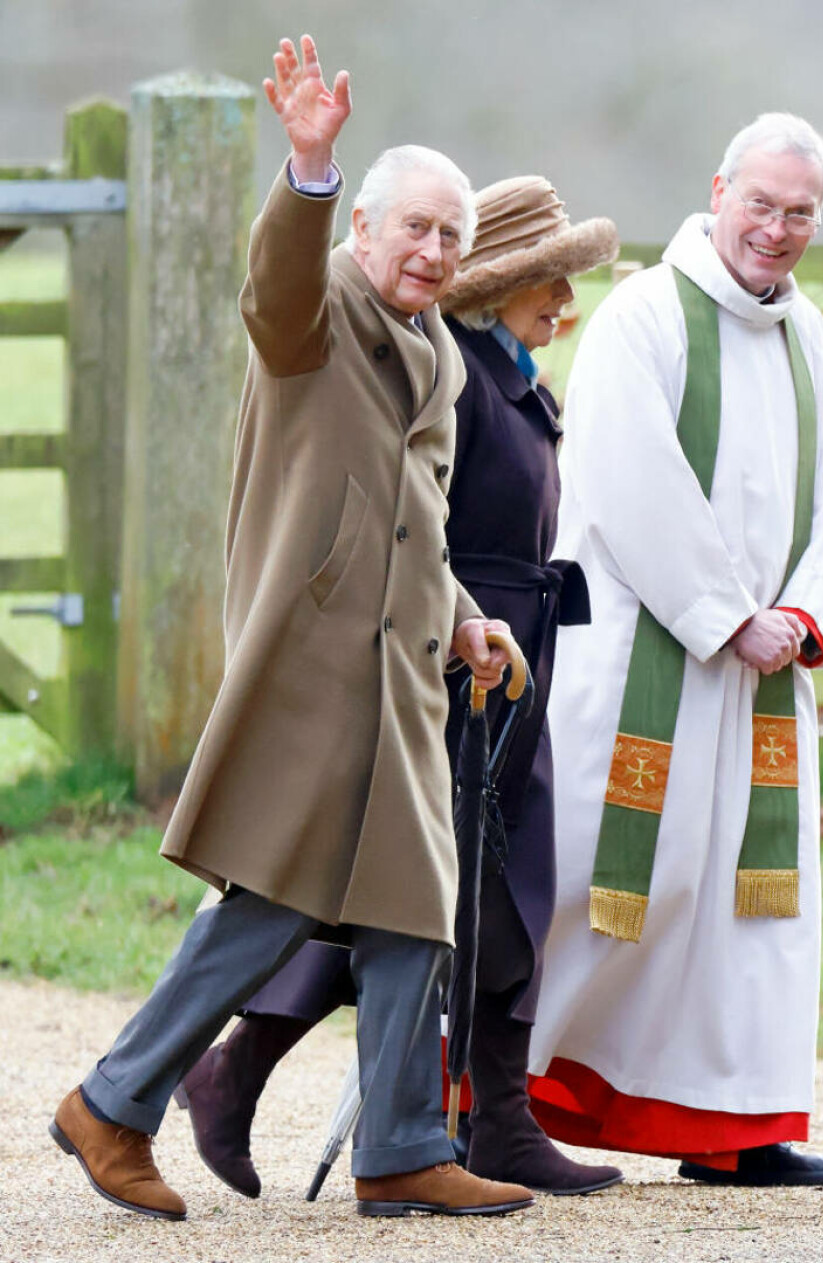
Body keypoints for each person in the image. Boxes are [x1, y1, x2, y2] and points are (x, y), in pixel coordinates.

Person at [48, 34, 537, 1221]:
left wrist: (469, 622)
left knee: (412, 907)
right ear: (363, 232)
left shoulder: (439, 360)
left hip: (402, 685)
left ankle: (401, 1148)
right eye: (411, 227)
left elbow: (409, 525)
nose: (430, 251)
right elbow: (273, 279)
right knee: (271, 902)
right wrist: (308, 169)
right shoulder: (311, 324)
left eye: (449, 237)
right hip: (316, 678)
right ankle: (113, 1105)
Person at [174, 176, 626, 1199]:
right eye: (547, 286)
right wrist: (453, 631)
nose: (564, 305)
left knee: (465, 890)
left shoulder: (504, 373)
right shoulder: (450, 374)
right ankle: (437, 1115)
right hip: (452, 667)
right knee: (419, 893)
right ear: (494, 288)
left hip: (505, 658)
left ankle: (282, 1086)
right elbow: (410, 526)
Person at [524, 113, 823, 1188]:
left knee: (752, 899)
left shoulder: (807, 335)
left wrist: (800, 616)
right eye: (760, 203)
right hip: (646, 663)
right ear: (718, 190)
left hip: (763, 676)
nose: (776, 229)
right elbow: (628, 486)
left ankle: (732, 1126)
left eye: (799, 212)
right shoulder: (643, 318)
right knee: (603, 878)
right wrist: (726, 615)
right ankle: (496, 1099)